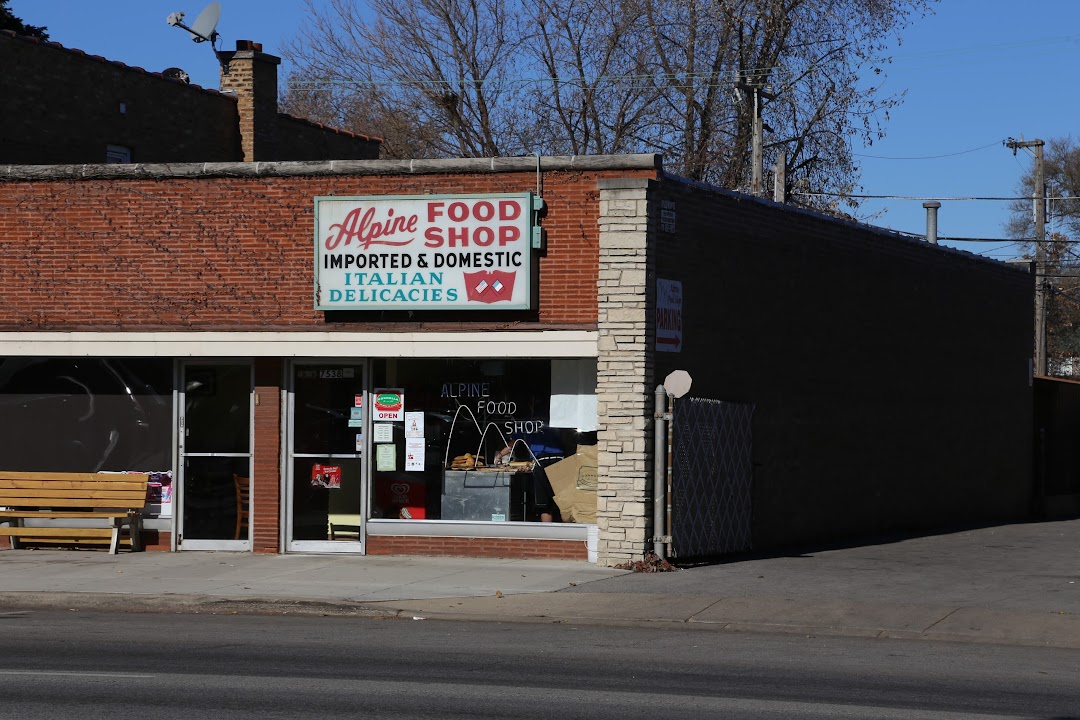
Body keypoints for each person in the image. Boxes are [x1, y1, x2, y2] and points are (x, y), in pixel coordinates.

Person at [495, 442, 559, 522]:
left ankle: (548, 530)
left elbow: (512, 445)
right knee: (563, 497)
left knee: (544, 503)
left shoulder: (525, 429)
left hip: (540, 461)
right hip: (560, 458)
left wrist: (500, 455)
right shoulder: (552, 430)